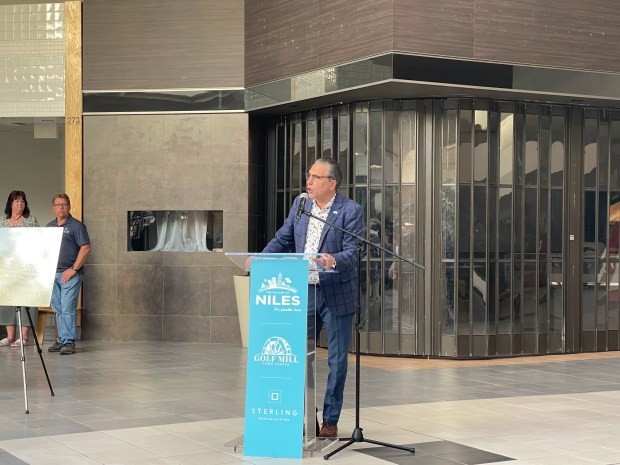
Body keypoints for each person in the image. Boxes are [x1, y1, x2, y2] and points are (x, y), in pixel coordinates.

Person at [261, 158, 365, 438]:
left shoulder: (350, 210)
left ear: (332, 183)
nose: (309, 181)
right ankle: (304, 416)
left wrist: (332, 259)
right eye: (309, 175)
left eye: (316, 177)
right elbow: (283, 238)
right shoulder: (301, 205)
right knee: (298, 356)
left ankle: (330, 420)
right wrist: (260, 259)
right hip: (303, 290)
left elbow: (354, 251)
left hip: (336, 291)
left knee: (337, 360)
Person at [46, 194, 91, 355]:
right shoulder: (49, 227)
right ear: (53, 208)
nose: (61, 207)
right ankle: (61, 339)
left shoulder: (77, 226)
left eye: (64, 204)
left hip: (70, 274)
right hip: (53, 274)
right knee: (58, 308)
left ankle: (69, 342)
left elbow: (85, 248)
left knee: (67, 308)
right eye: (58, 205)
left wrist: (73, 269)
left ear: (69, 206)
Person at [0, 191, 40, 347]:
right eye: (17, 201)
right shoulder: (2, 221)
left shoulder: (31, 221)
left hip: (26, 267)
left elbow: (39, 243)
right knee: (7, 300)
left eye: (23, 202)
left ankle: (24, 337)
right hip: (7, 268)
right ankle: (10, 336)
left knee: (27, 299)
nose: (20, 204)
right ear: (10, 203)